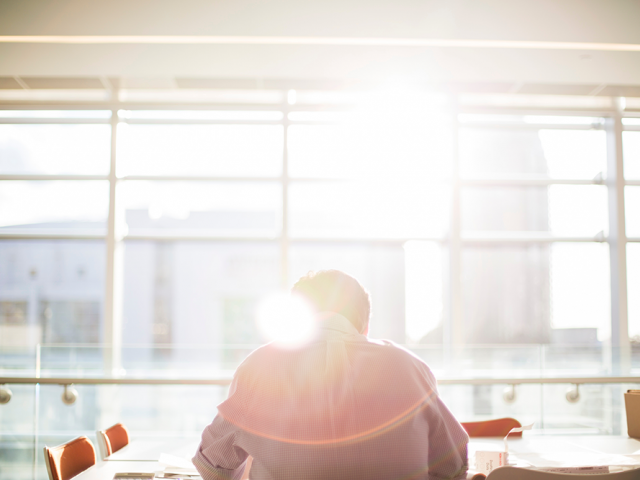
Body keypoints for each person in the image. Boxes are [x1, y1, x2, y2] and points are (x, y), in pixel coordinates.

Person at [193, 270, 468, 480]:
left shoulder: (260, 366)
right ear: (365, 324)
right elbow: (454, 464)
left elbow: (213, 464)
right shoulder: (410, 367)